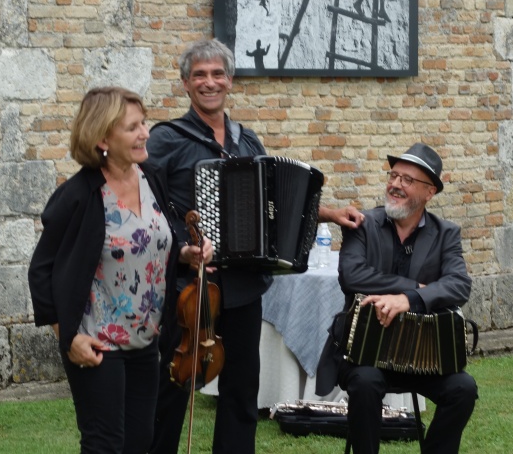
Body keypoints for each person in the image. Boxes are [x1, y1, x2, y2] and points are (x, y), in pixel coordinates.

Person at [147, 38, 363, 454]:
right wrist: (181, 248)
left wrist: (329, 213)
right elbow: (146, 206)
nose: (209, 83)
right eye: (199, 76)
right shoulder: (165, 141)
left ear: (230, 81)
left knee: (242, 389)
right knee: (173, 387)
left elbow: (273, 208)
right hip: (188, 288)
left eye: (217, 74)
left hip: (243, 286)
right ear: (185, 84)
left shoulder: (247, 142)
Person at [28, 86, 212, 454]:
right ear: (102, 139)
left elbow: (149, 241)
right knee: (106, 445)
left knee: (140, 442)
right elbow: (41, 269)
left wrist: (186, 254)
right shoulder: (79, 195)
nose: (145, 133)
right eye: (132, 127)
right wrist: (68, 337)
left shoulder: (151, 178)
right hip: (98, 345)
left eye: (143, 123)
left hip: (146, 342)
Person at [316, 143, 477, 454]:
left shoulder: (446, 234)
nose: (395, 185)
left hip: (421, 356)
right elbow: (351, 275)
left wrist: (410, 300)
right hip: (363, 353)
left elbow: (459, 285)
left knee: (463, 388)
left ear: (430, 192)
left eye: (407, 180)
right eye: (393, 176)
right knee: (365, 383)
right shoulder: (363, 224)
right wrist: (412, 287)